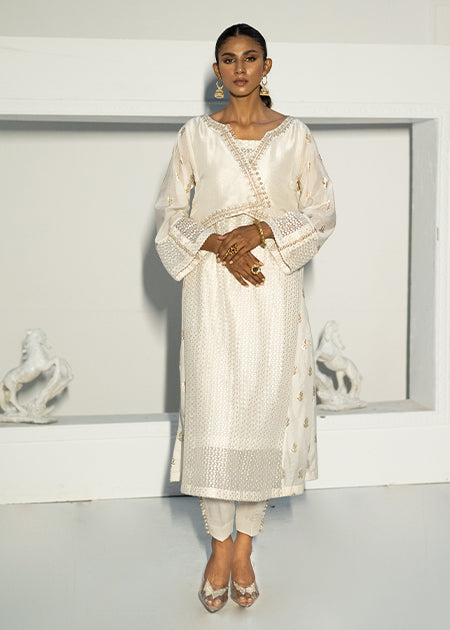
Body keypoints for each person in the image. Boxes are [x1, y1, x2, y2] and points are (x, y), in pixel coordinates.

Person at [154, 23, 336, 612]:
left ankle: (245, 548)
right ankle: (217, 545)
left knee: (264, 411)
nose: (239, 68)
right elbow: (170, 215)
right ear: (217, 70)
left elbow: (322, 211)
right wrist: (218, 244)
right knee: (215, 410)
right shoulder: (195, 135)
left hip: (272, 284)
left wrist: (258, 231)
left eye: (250, 58)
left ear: (266, 66)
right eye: (228, 59)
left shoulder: (295, 135)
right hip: (211, 287)